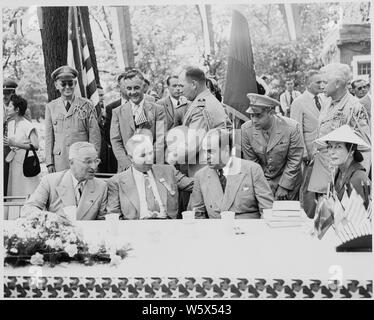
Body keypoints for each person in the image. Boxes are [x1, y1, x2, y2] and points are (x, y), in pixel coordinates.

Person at [308, 63, 371, 195]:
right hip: (323, 171)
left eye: (325, 82)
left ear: (337, 83)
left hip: (341, 177)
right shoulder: (327, 102)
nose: (321, 86)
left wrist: (354, 183)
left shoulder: (354, 107)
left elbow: (365, 148)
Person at [189, 128, 273, 219]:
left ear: (226, 150)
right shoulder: (200, 176)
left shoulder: (252, 170)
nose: (205, 157)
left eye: (210, 151)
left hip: (247, 230)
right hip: (215, 231)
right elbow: (196, 214)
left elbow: (267, 210)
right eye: (204, 151)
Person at [106, 134, 194, 219]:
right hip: (135, 229)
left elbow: (195, 184)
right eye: (143, 155)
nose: (149, 159)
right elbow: (114, 217)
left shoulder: (169, 171)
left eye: (151, 153)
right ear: (131, 158)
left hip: (168, 227)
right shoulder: (117, 182)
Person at [22, 142, 107, 220]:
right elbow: (29, 209)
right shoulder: (50, 181)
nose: (94, 166)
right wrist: (53, 219)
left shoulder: (101, 187)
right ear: (71, 162)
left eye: (96, 161)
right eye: (88, 162)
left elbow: (103, 222)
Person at [241, 93, 304, 200]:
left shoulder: (291, 128)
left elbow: (294, 160)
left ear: (270, 113)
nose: (254, 120)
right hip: (262, 180)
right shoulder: (246, 129)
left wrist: (284, 186)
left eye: (259, 115)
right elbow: (252, 162)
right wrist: (263, 185)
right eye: (252, 115)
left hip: (288, 180)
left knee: (287, 214)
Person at [44, 66, 101, 173]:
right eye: (63, 83)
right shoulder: (51, 107)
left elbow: (94, 136)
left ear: (75, 84)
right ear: (56, 85)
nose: (67, 87)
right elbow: (49, 137)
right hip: (60, 161)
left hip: (83, 159)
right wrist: (49, 162)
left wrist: (93, 159)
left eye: (70, 83)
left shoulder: (86, 105)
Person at [178, 66, 232, 177]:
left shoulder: (200, 108)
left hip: (204, 173)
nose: (180, 90)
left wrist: (170, 153)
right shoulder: (210, 100)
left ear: (193, 84)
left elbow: (191, 149)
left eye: (182, 86)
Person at [110, 69, 167, 172]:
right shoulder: (117, 112)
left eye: (136, 88)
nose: (133, 92)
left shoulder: (158, 110)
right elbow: (116, 141)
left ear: (144, 87)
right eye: (129, 88)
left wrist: (146, 160)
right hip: (127, 168)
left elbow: (160, 140)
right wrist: (128, 164)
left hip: (152, 165)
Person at [290, 70, 325, 217]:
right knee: (308, 188)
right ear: (307, 84)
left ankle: (321, 217)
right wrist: (304, 153)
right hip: (309, 154)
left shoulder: (324, 99)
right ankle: (307, 217)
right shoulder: (298, 102)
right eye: (318, 82)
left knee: (322, 187)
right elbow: (296, 130)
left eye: (322, 82)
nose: (321, 85)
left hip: (324, 151)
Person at [315, 125, 371, 202]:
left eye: (338, 147)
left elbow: (358, 212)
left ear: (351, 151)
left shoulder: (358, 178)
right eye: (330, 146)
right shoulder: (337, 174)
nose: (332, 152)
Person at [3, 94, 40, 197]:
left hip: (25, 164)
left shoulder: (27, 125)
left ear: (17, 109)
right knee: (14, 191)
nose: (7, 108)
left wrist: (16, 144)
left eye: (10, 106)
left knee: (25, 192)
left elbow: (36, 145)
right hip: (13, 163)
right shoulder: (10, 124)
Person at [3, 78, 18, 196]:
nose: (5, 95)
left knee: (11, 178)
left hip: (15, 146)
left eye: (8, 93)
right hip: (3, 146)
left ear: (13, 93)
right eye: (3, 92)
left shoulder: (19, 107)